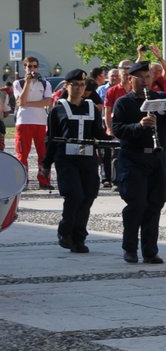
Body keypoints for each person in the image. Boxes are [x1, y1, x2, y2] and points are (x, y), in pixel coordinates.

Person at [109, 61, 166, 266]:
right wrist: (139, 126)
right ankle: (130, 248)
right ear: (131, 79)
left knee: (155, 204)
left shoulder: (160, 98)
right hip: (134, 158)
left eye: (148, 77)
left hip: (157, 157)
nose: (145, 81)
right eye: (141, 77)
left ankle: (150, 251)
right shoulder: (124, 103)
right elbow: (117, 129)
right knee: (137, 204)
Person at [45, 69, 99, 253]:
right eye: (74, 84)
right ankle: (65, 231)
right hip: (66, 159)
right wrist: (46, 163)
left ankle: (79, 237)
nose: (78, 88)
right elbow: (51, 138)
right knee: (75, 194)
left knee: (88, 197)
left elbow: (98, 133)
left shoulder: (91, 107)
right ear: (66, 86)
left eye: (82, 85)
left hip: (88, 159)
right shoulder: (58, 109)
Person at [11, 55, 52, 190]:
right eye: (29, 66)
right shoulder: (19, 83)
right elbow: (20, 102)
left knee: (43, 153)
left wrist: (28, 103)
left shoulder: (45, 83)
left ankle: (44, 181)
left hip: (40, 122)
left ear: (38, 67)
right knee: (22, 153)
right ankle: (23, 181)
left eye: (34, 66)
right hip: (24, 122)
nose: (32, 69)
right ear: (25, 68)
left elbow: (47, 102)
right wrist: (28, 83)